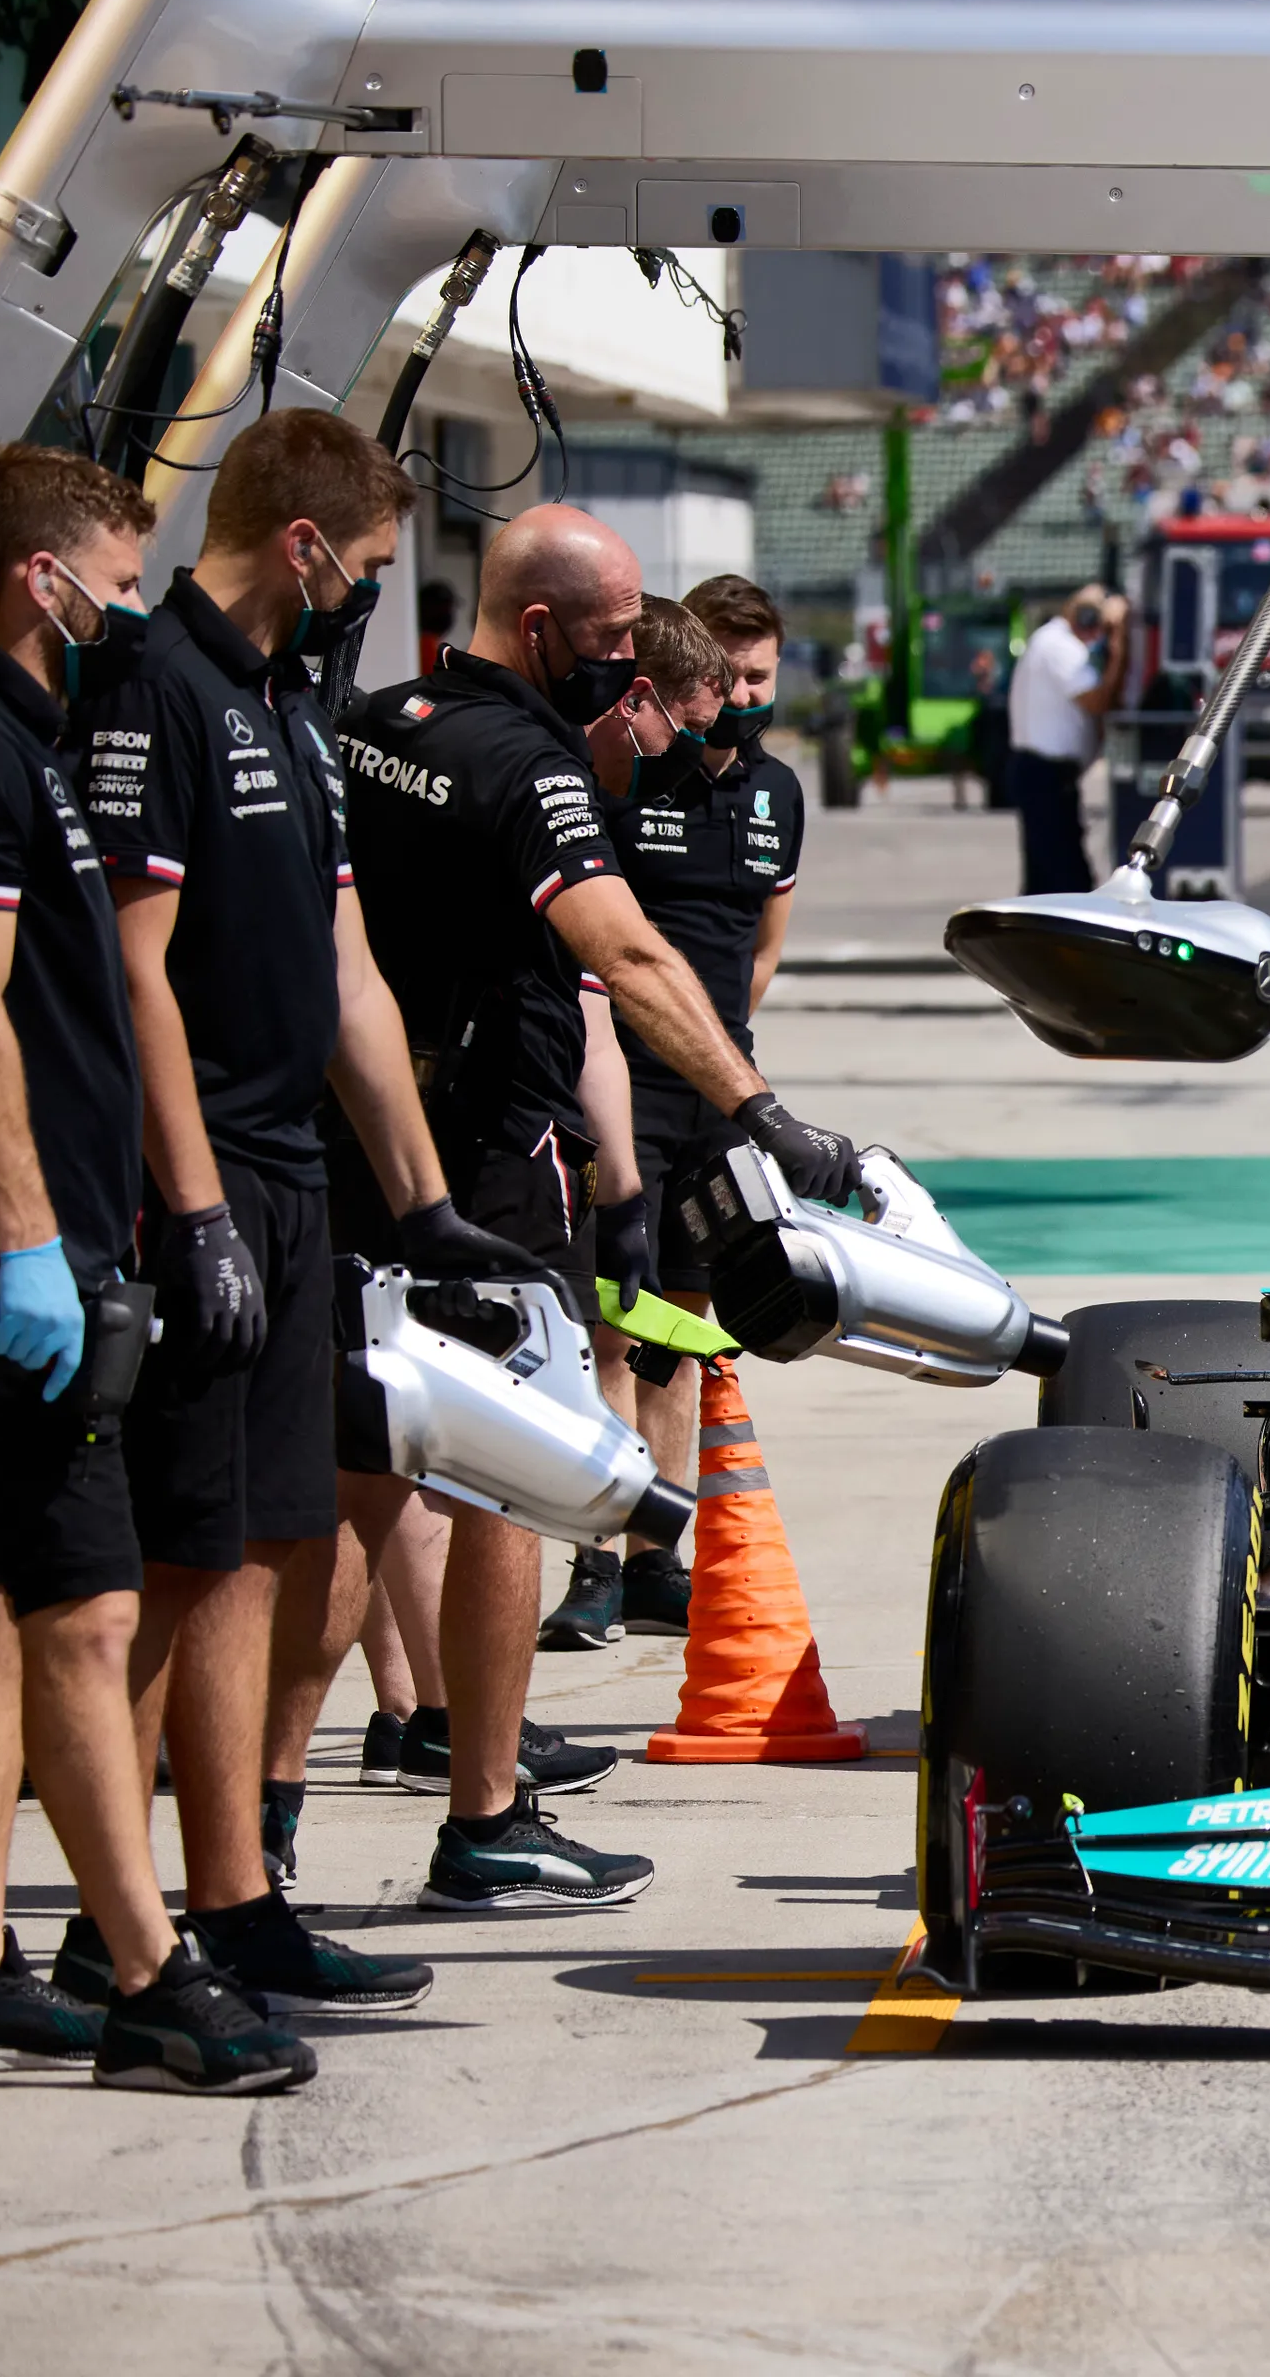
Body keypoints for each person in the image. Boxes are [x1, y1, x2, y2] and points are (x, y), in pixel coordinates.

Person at [68, 411, 541, 2016]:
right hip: (195, 1176)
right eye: (370, 565)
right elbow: (133, 970)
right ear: (303, 543)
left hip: (292, 1180)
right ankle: (125, 1918)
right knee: (186, 1554)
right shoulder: (156, 688)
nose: (373, 594)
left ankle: (233, 1898)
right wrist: (192, 1209)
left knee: (268, 1544)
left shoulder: (294, 708)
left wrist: (424, 1205)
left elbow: (351, 976)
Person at [337, 503, 866, 1912]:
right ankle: (485, 1816)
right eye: (617, 635)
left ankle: (251, 1849)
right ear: (539, 631)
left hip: (370, 1142)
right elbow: (620, 957)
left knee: (344, 1491)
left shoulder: (378, 722)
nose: (637, 660)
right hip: (489, 1158)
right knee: (509, 1475)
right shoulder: (533, 765)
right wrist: (760, 1109)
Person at [0, 444, 313, 2093]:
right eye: (120, 584)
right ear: (41, 578)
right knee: (89, 1611)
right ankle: (149, 1975)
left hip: (41, 1240)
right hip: (8, 1257)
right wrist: (27, 1243)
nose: (133, 613)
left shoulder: (22, 741)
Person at [542, 580, 801, 1646]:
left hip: (721, 1098)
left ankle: (660, 1557)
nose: (742, 696)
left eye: (759, 677)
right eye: (725, 677)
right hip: (621, 1090)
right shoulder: (629, 774)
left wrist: (725, 1065)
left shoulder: (779, 793)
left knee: (687, 1331)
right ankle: (596, 1560)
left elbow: (764, 948)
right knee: (613, 1326)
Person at [1008, 585, 1116, 893]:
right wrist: (1119, 653)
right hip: (1045, 773)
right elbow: (1095, 701)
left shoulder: (1053, 641)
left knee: (1047, 874)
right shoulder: (1060, 646)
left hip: (1045, 772)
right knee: (1064, 877)